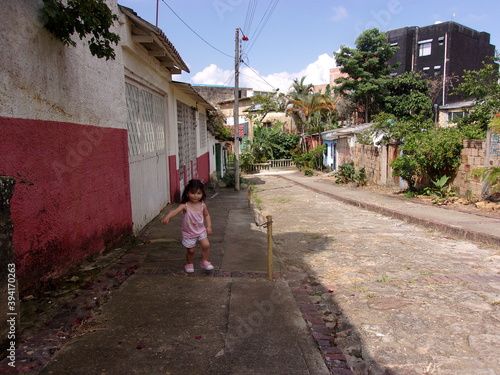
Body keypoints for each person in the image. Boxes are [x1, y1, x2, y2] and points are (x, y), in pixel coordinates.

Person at [161, 179, 214, 273]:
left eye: (198, 193)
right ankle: (189, 264)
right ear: (187, 193)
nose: (196, 195)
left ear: (202, 194)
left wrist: (209, 226)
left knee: (206, 245)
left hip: (200, 231)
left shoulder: (202, 205)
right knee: (191, 251)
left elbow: (206, 215)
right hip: (189, 233)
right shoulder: (184, 206)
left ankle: (204, 261)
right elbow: (174, 211)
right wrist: (167, 217)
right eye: (193, 193)